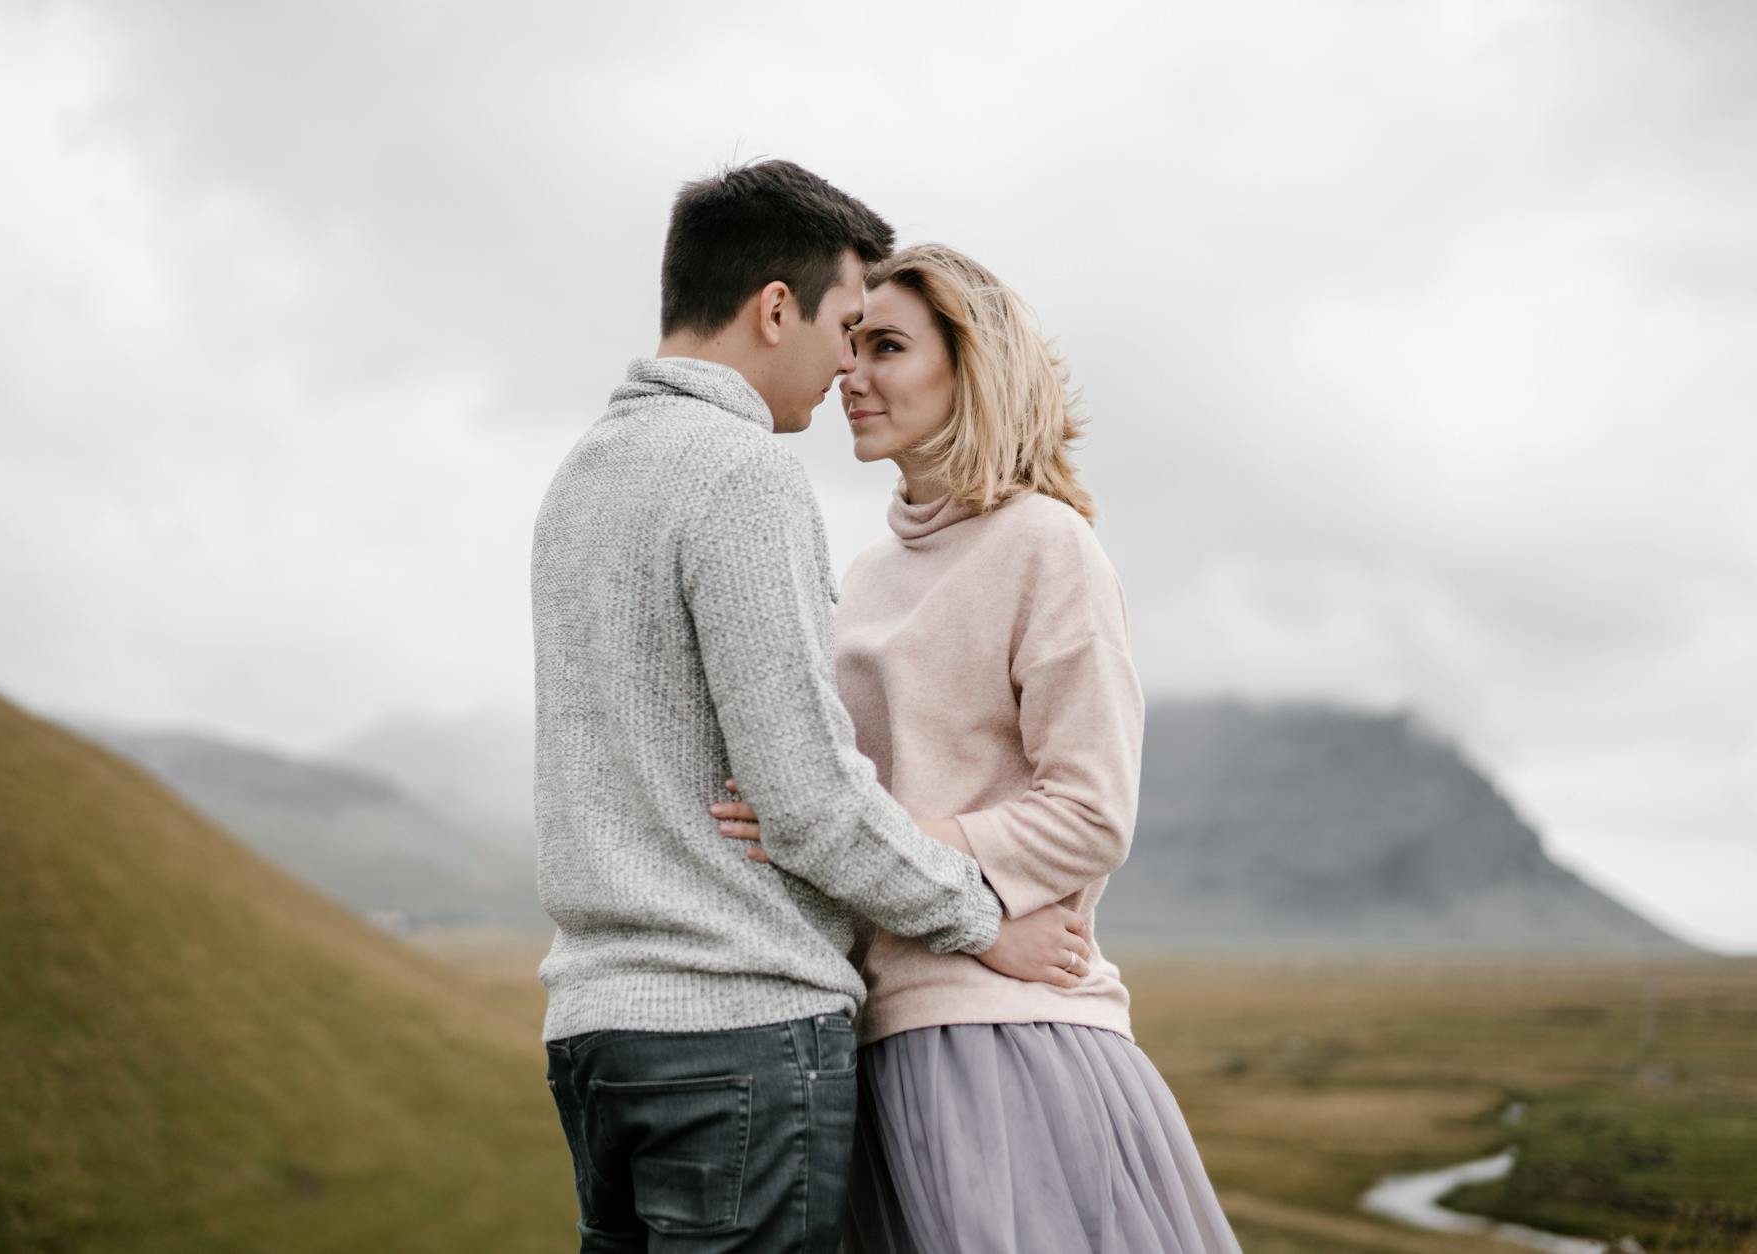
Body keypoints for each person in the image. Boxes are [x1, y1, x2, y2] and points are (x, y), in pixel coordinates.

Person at [532, 164, 1091, 1254]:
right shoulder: (740, 473)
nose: (846, 364)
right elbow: (806, 801)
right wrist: (985, 923)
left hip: (592, 1038)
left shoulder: (580, 476)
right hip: (736, 1036)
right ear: (773, 308)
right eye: (845, 325)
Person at [711, 243, 1243, 1253]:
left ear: (971, 367)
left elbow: (1090, 812)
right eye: (851, 344)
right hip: (867, 1044)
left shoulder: (1047, 545)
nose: (850, 374)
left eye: (888, 347)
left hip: (1007, 1039)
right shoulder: (859, 576)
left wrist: (844, 835)